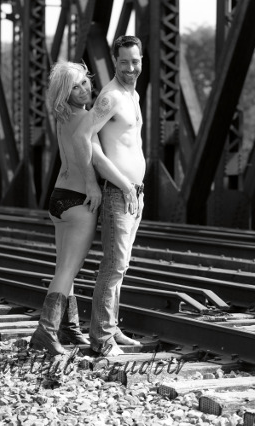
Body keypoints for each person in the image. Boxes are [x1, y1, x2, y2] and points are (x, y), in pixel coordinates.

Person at [74, 35, 146, 357]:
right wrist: (117, 183)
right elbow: (85, 137)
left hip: (135, 193)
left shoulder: (133, 95)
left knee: (122, 265)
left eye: (135, 61)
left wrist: (134, 188)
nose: (130, 68)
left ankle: (111, 327)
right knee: (113, 265)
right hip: (120, 191)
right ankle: (101, 338)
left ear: (141, 61)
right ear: (115, 62)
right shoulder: (111, 96)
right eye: (124, 62)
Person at [30, 61, 103, 356]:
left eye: (84, 82)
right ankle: (46, 331)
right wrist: (93, 185)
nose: (83, 89)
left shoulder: (64, 116)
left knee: (63, 269)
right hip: (78, 201)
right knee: (68, 271)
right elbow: (86, 154)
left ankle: (68, 328)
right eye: (75, 87)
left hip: (58, 199)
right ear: (65, 93)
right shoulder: (85, 117)